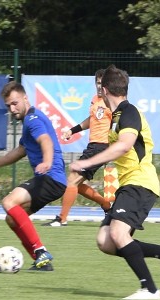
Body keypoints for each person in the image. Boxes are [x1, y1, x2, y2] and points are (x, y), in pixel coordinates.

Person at [70, 64, 160, 300]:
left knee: (119, 233)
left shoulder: (128, 112)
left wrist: (85, 164)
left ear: (103, 89)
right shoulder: (116, 115)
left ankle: (150, 289)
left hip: (140, 182)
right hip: (129, 184)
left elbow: (124, 145)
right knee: (106, 241)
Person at [0, 81, 66, 271]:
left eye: (15, 103)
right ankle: (42, 262)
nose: (12, 108)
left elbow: (46, 141)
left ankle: (40, 250)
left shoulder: (33, 120)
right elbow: (18, 152)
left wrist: (47, 162)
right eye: (8, 105)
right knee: (12, 218)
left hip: (50, 177)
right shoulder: (29, 122)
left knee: (8, 202)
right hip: (53, 181)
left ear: (26, 98)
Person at [43, 69, 112, 227]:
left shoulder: (111, 102)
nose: (99, 87)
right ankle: (106, 205)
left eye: (103, 84)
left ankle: (62, 219)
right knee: (77, 184)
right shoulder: (95, 99)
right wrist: (72, 131)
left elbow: (120, 121)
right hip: (93, 146)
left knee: (72, 180)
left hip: (101, 147)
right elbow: (92, 120)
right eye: (98, 83)